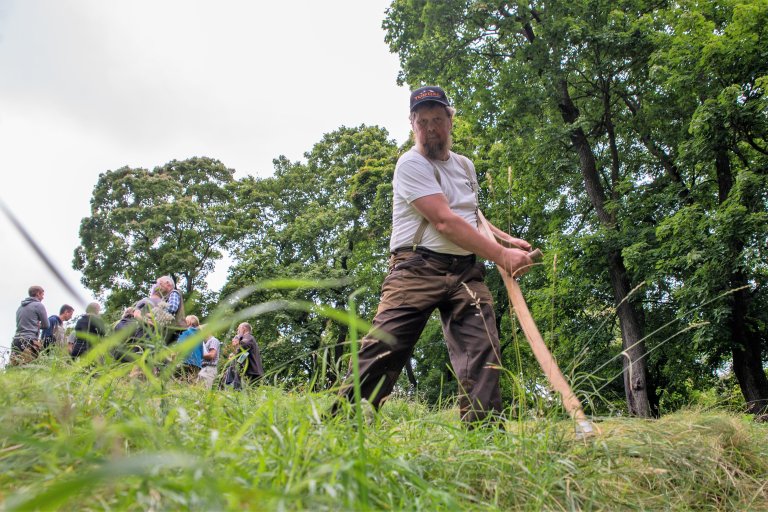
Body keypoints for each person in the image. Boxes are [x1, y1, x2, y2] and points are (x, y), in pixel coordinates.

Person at [333, 86, 533, 424]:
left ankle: (484, 438)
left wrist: (506, 240)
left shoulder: (466, 167)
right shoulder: (410, 165)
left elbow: (470, 216)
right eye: (421, 121)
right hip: (416, 268)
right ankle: (343, 423)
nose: (429, 128)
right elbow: (443, 220)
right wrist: (502, 255)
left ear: (450, 121)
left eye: (437, 119)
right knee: (386, 346)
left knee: (482, 347)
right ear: (412, 125)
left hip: (465, 271)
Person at [10, 285, 49, 365]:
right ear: (38, 294)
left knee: (15, 369)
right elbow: (46, 325)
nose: (43, 297)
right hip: (29, 341)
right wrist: (38, 325)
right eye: (42, 295)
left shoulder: (20, 307)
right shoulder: (38, 305)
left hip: (16, 340)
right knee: (28, 369)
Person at [154, 276, 186, 343]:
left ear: (167, 283)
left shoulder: (173, 293)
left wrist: (156, 314)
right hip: (173, 330)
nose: (158, 287)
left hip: (174, 329)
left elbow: (172, 308)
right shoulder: (167, 297)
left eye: (160, 284)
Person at [176, 315, 203, 382]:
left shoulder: (185, 331)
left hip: (185, 362)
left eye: (185, 321)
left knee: (179, 384)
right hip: (197, 365)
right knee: (191, 386)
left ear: (189, 323)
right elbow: (202, 353)